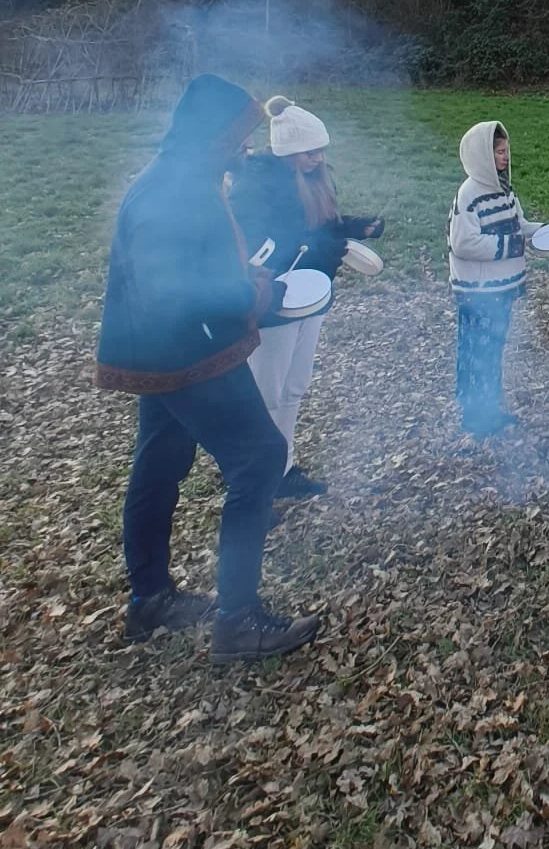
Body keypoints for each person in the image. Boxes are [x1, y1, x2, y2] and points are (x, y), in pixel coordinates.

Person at [96, 73, 322, 663]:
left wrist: (241, 277)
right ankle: (237, 620)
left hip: (162, 351)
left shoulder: (183, 177)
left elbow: (198, 264)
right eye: (238, 137)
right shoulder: (172, 192)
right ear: (213, 134)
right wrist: (254, 295)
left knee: (161, 463)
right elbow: (173, 288)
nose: (245, 148)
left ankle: (150, 597)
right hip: (185, 351)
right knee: (261, 457)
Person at [228, 96, 384, 498]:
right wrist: (325, 250)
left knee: (294, 386)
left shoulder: (313, 180)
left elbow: (320, 229)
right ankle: (250, 476)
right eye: (309, 152)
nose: (317, 158)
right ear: (287, 151)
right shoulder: (258, 185)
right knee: (267, 389)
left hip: (312, 294)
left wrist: (355, 227)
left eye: (321, 150)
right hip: (274, 300)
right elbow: (259, 246)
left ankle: (282, 468)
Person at [448, 120, 531, 435]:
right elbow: (464, 244)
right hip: (478, 291)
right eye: (498, 152)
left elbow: (518, 225)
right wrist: (511, 245)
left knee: (494, 349)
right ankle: (474, 416)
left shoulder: (504, 189)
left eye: (506, 151)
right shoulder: (469, 194)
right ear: (481, 155)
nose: (505, 158)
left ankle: (491, 409)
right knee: (477, 351)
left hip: (503, 288)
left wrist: (544, 235)